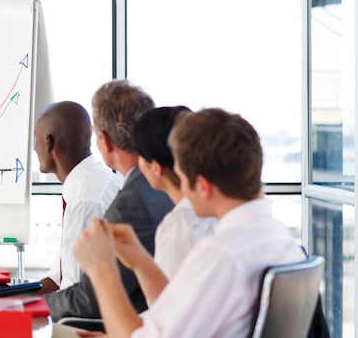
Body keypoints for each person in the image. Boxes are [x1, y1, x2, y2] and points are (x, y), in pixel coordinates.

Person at [73, 108, 306, 338]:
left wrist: (102, 271)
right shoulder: (279, 239)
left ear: (203, 187)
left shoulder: (221, 254)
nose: (181, 189)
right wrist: (140, 261)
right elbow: (179, 316)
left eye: (183, 178)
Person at [45, 80, 173, 321]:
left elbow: (89, 301)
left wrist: (27, 306)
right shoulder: (161, 186)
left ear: (104, 140)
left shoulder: (134, 201)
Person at [34, 101, 123, 293]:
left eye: (36, 140)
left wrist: (17, 307)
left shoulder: (87, 200)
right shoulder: (88, 183)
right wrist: (6, 298)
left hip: (83, 321)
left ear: (49, 143)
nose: (34, 149)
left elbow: (72, 292)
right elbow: (58, 278)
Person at [132, 106, 216, 279]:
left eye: (140, 155)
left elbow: (167, 303)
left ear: (156, 168)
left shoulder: (179, 225)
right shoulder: (218, 209)